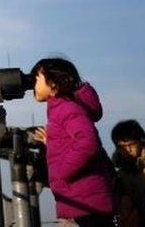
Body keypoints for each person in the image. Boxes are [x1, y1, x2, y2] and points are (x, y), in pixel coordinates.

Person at [31, 57, 115, 227]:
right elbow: (74, 139)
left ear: (53, 84)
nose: (32, 83)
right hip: (83, 201)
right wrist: (52, 143)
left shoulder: (66, 107)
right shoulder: (60, 108)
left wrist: (63, 170)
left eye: (36, 78)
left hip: (87, 204)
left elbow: (87, 140)